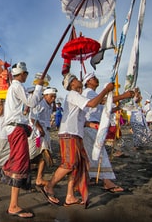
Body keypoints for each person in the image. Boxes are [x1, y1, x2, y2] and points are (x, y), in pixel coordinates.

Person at [40, 73, 114, 208]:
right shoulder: (72, 94)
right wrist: (106, 90)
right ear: (72, 84)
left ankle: (70, 195)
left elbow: (80, 116)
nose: (80, 81)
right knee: (69, 163)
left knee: (77, 166)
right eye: (76, 79)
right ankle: (49, 186)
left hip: (76, 133)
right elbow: (92, 104)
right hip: (69, 133)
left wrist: (91, 124)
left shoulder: (77, 96)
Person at [0, 62, 43, 218]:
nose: (26, 76)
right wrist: (39, 87)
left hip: (14, 128)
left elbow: (26, 102)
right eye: (26, 73)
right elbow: (31, 102)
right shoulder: (16, 86)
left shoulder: (15, 87)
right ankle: (13, 205)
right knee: (20, 163)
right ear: (22, 74)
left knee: (13, 160)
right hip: (16, 129)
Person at [81, 72, 134, 192]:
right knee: (100, 153)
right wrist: (123, 96)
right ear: (88, 81)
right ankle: (107, 182)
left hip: (95, 126)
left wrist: (117, 108)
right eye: (93, 78)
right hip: (90, 126)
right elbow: (103, 101)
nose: (96, 79)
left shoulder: (94, 93)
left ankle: (89, 177)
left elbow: (103, 109)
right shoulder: (88, 92)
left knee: (92, 155)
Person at [28, 87, 57, 187]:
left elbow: (54, 109)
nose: (53, 98)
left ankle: (39, 178)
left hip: (45, 132)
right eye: (51, 96)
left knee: (44, 154)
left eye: (54, 97)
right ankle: (22, 175)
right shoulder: (40, 103)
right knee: (31, 155)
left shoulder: (48, 105)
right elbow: (32, 118)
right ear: (45, 96)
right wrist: (40, 129)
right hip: (37, 133)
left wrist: (53, 101)